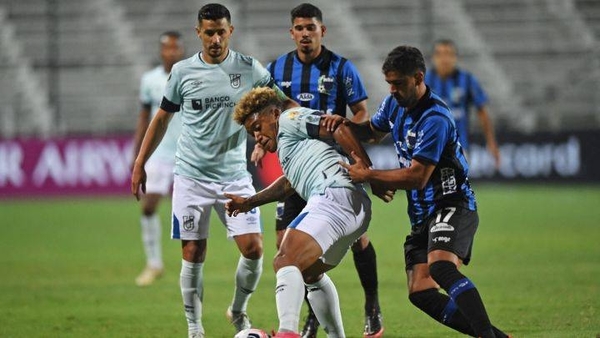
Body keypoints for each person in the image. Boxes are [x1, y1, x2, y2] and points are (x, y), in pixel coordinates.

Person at [131, 4, 293, 337]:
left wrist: (267, 136)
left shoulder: (249, 68)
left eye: (221, 32)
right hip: (190, 176)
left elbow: (279, 104)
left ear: (230, 31)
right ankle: (195, 328)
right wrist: (139, 163)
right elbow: (160, 118)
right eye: (209, 33)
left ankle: (238, 308)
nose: (216, 39)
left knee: (254, 249)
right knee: (193, 252)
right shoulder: (182, 72)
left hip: (234, 174)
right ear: (199, 33)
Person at [338, 46, 509, 338]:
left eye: (398, 83)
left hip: (452, 203)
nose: (392, 90)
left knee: (441, 266)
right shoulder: (395, 104)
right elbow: (372, 132)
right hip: (422, 213)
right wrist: (340, 124)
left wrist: (368, 176)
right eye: (389, 83)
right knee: (420, 290)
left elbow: (417, 177)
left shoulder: (435, 118)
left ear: (418, 77)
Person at [225, 87, 393, 338]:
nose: (257, 136)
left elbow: (338, 128)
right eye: (252, 133)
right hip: (352, 208)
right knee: (309, 273)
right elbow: (288, 185)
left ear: (273, 113)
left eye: (258, 127)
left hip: (335, 194)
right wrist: (248, 203)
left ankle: (287, 333)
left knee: (285, 259)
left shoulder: (290, 118)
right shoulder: (289, 147)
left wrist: (369, 173)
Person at [260, 4, 384, 337]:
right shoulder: (277, 69)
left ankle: (372, 305)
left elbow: (360, 113)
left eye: (310, 28)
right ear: (292, 32)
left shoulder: (342, 68)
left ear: (322, 31)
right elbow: (267, 114)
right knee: (285, 245)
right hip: (299, 169)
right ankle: (314, 315)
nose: (305, 33)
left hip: (332, 170)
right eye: (299, 28)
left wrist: (345, 135)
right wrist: (261, 142)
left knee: (358, 239)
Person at [131, 31, 184, 287]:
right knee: (149, 205)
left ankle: (193, 265)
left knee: (193, 211)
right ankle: (154, 264)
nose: (171, 52)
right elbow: (144, 117)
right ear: (161, 51)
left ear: (181, 50)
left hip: (188, 152)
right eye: (167, 48)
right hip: (159, 152)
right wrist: (138, 154)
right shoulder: (149, 80)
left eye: (176, 48)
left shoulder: (190, 75)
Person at [425, 39, 500, 168]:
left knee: (451, 187)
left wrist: (491, 142)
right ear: (433, 58)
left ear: (455, 58)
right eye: (440, 54)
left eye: (449, 54)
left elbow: (482, 111)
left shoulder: (467, 80)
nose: (444, 59)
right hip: (428, 147)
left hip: (459, 147)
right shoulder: (424, 81)